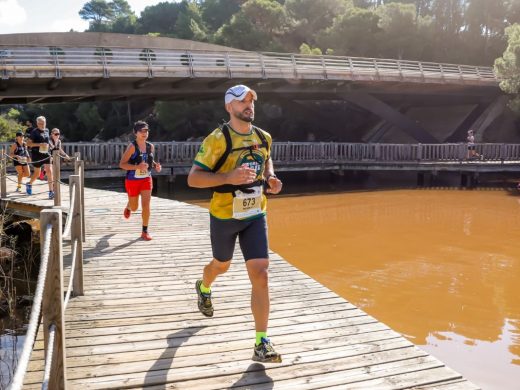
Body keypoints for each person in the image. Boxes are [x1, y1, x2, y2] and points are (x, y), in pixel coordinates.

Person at [187, 84, 283, 363]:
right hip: (224, 215)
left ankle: (261, 342)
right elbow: (193, 179)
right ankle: (204, 287)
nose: (249, 106)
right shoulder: (217, 139)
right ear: (229, 106)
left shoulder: (264, 137)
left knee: (261, 274)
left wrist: (271, 179)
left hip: (255, 214)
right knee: (221, 265)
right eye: (242, 101)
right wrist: (227, 177)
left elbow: (267, 162)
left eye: (252, 101)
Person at [119, 121, 162, 241]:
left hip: (146, 179)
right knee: (134, 207)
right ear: (135, 133)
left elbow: (149, 161)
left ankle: (145, 231)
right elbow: (122, 164)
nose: (144, 133)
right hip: (132, 180)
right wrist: (137, 167)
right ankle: (128, 206)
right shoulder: (132, 147)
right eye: (141, 131)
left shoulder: (150, 146)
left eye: (146, 131)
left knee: (146, 205)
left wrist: (156, 166)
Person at [26, 116, 54, 198]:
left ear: (45, 123)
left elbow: (47, 140)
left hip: (46, 154)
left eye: (43, 123)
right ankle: (29, 184)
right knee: (37, 174)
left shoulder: (47, 130)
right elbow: (28, 144)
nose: (42, 125)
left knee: (49, 171)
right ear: (37, 124)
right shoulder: (34, 132)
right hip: (36, 155)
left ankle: (51, 192)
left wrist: (50, 146)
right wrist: (39, 144)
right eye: (40, 123)